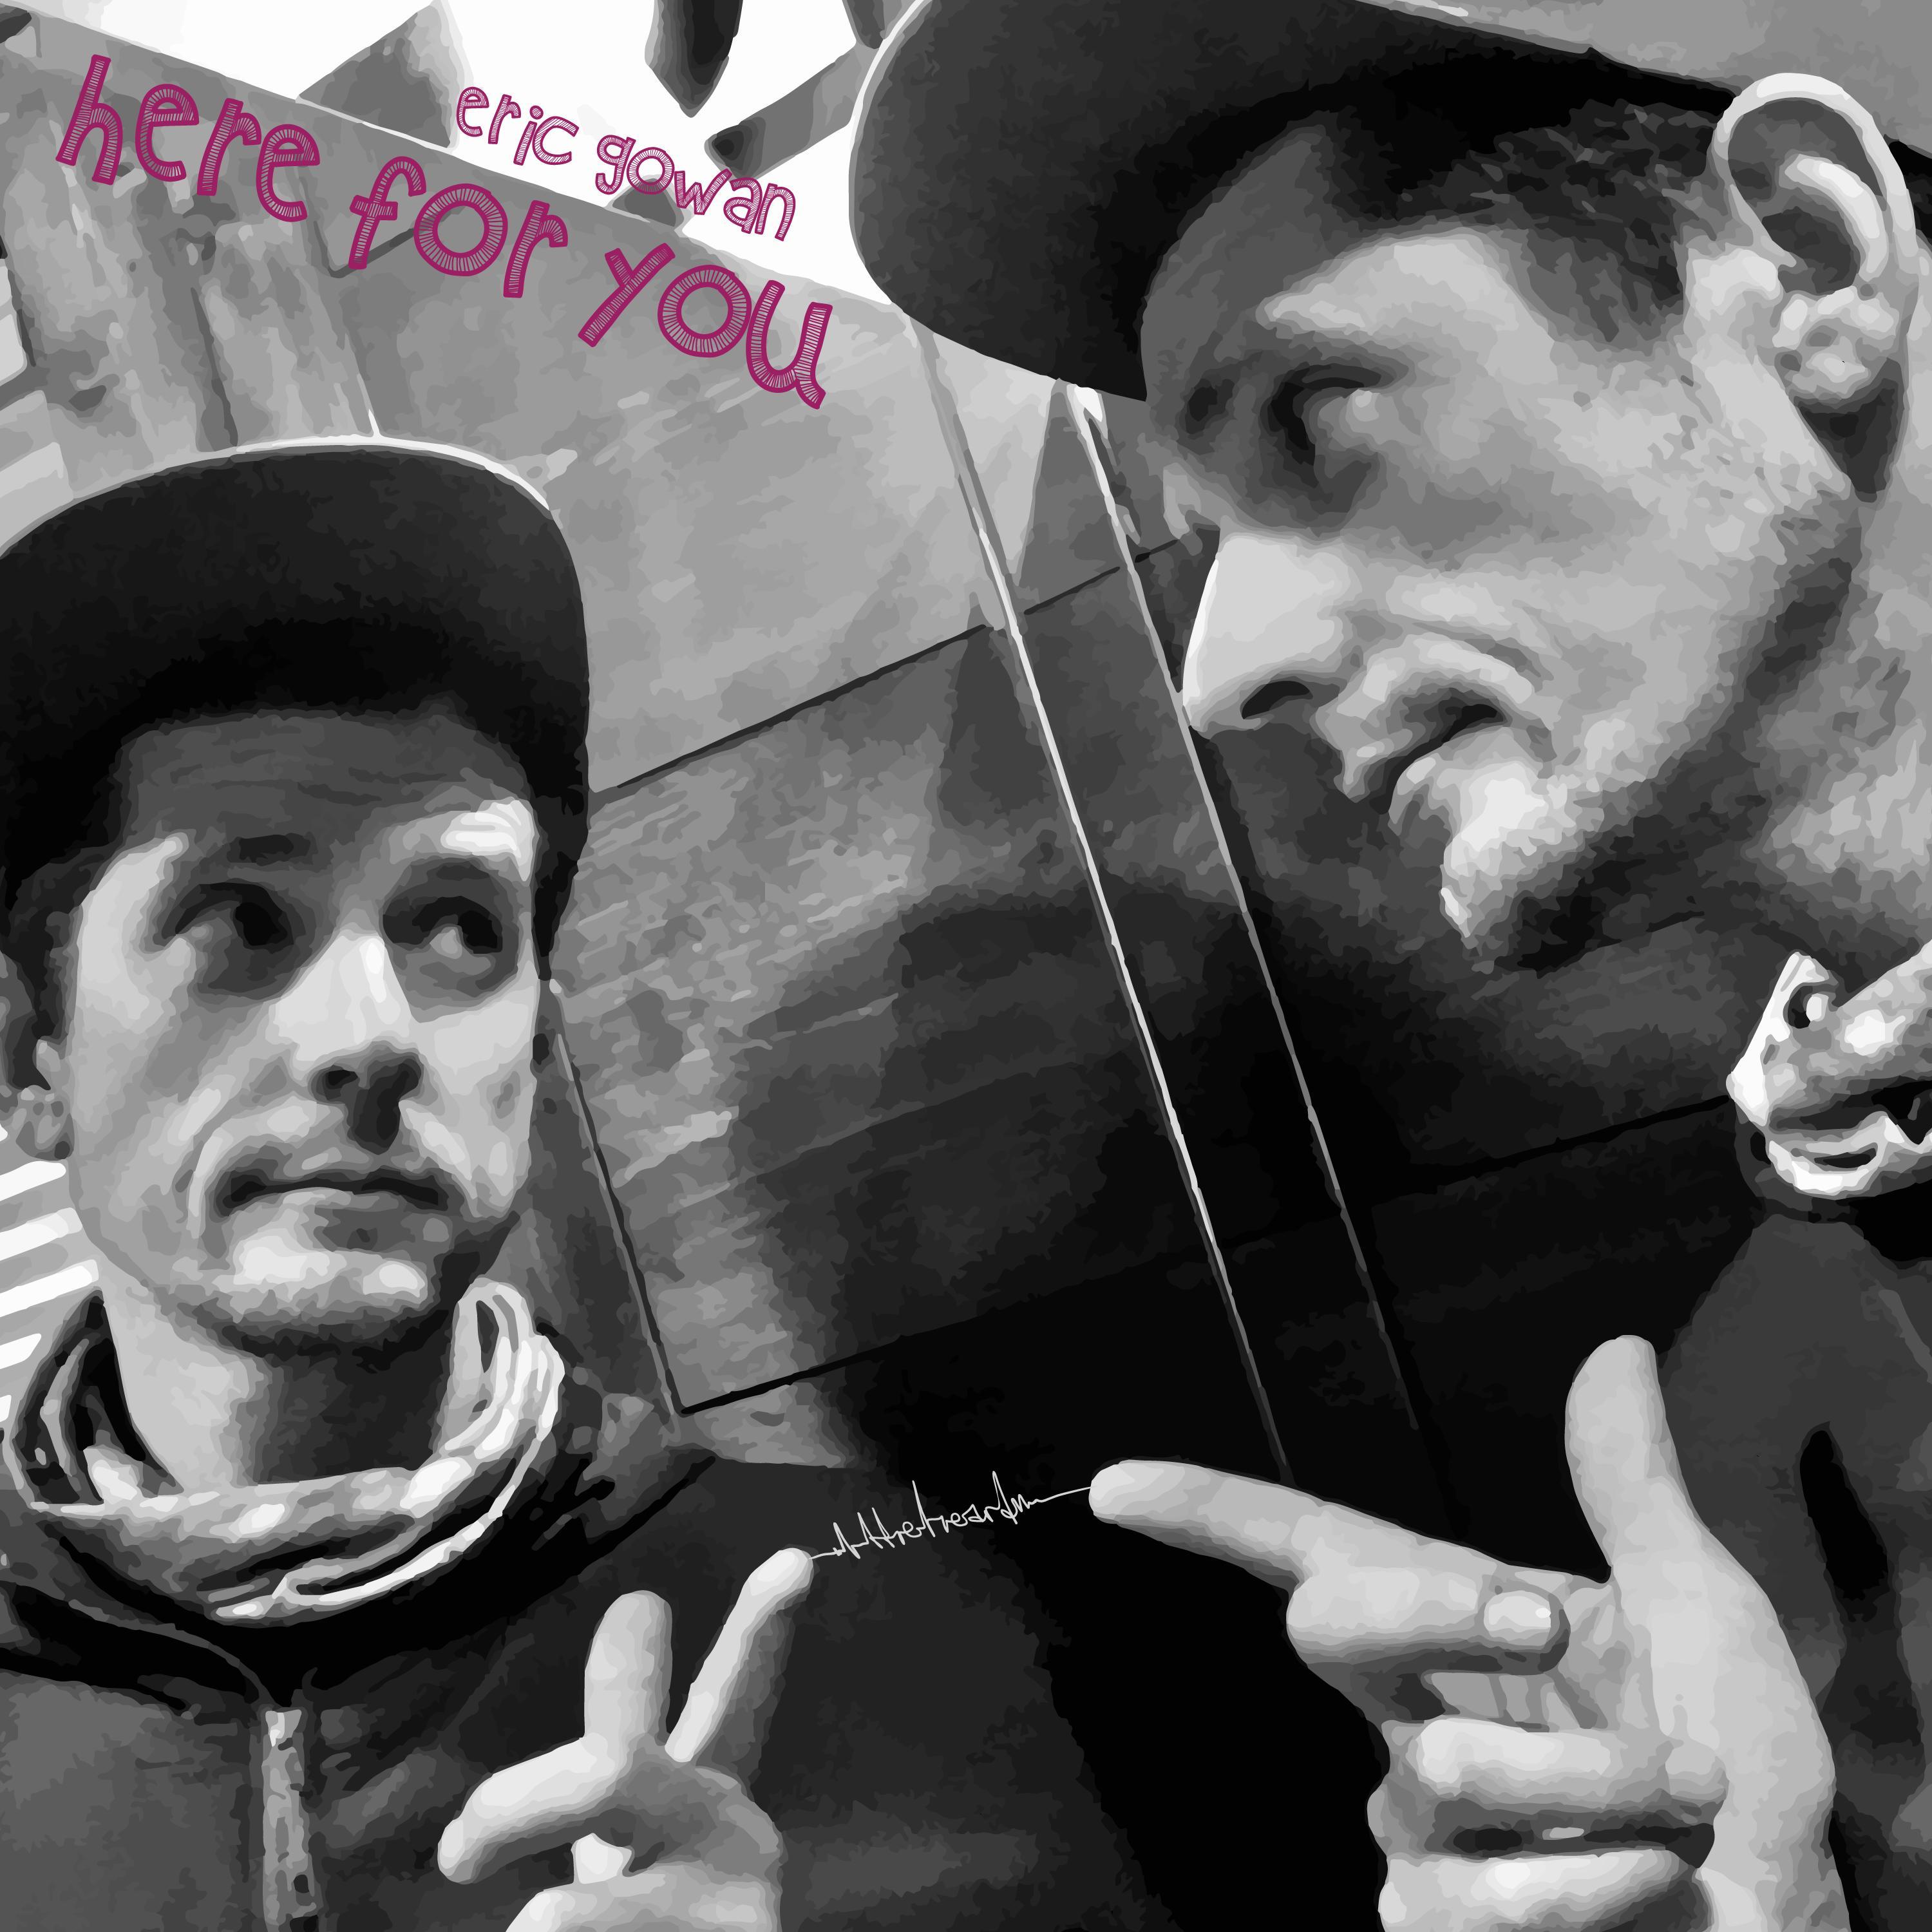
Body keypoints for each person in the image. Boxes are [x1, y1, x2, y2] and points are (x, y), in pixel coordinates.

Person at [852, 0, 1932, 1922]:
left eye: (1314, 418)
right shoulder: (1748, 1460)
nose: (1218, 672)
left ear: (1807, 258)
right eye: (1203, 539)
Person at [0, 438, 1159, 1931]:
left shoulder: (915, 1623)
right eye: (241, 916)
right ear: (31, 1060)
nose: (370, 1035)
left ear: (537, 1049)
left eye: (457, 926)